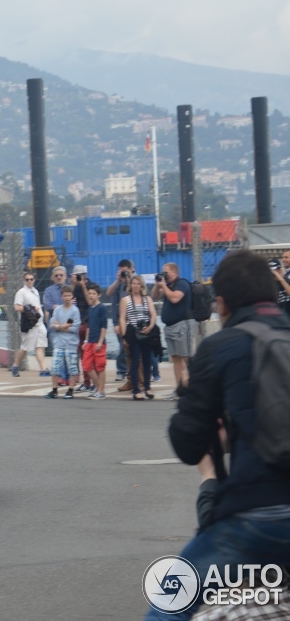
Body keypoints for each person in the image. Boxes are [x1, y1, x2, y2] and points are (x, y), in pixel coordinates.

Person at [146, 250, 290, 621]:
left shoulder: (221, 347)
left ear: (222, 304)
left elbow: (187, 443)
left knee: (168, 606)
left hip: (257, 516)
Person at [152, 262, 193, 389]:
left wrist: (164, 286)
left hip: (181, 325)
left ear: (174, 273)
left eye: (166, 272)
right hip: (169, 327)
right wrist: (158, 283)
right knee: (175, 358)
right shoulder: (167, 285)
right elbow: (155, 296)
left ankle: (194, 386)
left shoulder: (182, 284)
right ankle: (179, 388)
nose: (164, 274)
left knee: (186, 357)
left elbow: (175, 298)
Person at [120, 275, 157, 401]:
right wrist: (124, 336)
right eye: (133, 283)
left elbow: (153, 314)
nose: (135, 286)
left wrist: (150, 326)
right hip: (133, 332)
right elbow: (122, 318)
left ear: (141, 286)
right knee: (135, 361)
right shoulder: (125, 300)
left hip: (146, 332)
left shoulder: (147, 299)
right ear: (130, 285)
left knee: (147, 361)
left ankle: (147, 387)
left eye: (138, 284)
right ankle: (136, 389)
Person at [45, 286, 80, 399]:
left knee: (72, 367)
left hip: (71, 343)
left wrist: (59, 326)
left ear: (72, 296)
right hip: (59, 343)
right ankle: (54, 390)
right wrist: (63, 326)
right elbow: (51, 325)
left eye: (69, 295)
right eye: (65, 295)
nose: (67, 298)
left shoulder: (75, 311)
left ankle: (70, 390)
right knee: (55, 366)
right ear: (61, 296)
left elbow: (75, 327)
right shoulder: (57, 310)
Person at [11, 272, 50, 377]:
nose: (29, 281)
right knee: (25, 347)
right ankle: (15, 365)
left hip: (39, 322)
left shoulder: (35, 291)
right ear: (24, 280)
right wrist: (30, 309)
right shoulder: (21, 292)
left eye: (31, 279)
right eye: (27, 279)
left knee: (40, 346)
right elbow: (17, 307)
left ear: (34, 280)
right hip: (30, 323)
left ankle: (43, 369)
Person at [106, 259, 135, 384]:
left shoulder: (136, 282)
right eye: (120, 271)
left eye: (124, 271)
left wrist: (129, 280)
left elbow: (136, 294)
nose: (122, 273)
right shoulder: (119, 284)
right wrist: (116, 323)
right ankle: (122, 371)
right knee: (123, 346)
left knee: (137, 348)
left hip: (134, 319)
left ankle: (143, 371)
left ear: (131, 269)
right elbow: (110, 295)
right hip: (121, 320)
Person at [82, 283, 108, 399]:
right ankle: (98, 387)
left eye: (93, 294)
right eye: (90, 293)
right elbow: (89, 325)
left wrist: (100, 341)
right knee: (86, 366)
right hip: (90, 341)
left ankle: (101, 390)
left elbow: (104, 326)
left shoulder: (102, 308)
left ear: (99, 295)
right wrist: (86, 340)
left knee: (100, 367)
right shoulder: (90, 308)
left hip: (98, 342)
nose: (91, 296)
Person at [71, 265, 93, 392]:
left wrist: (83, 286)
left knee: (90, 354)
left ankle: (93, 381)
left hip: (88, 323)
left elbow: (90, 302)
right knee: (81, 355)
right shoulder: (74, 288)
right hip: (77, 324)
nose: (79, 278)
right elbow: (67, 298)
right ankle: (86, 382)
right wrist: (74, 285)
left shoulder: (91, 286)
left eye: (81, 275)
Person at [272, 250, 290, 318]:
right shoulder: (285, 273)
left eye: (286, 257)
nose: (283, 260)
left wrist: (281, 279)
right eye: (282, 257)